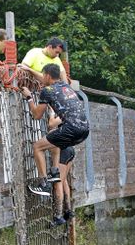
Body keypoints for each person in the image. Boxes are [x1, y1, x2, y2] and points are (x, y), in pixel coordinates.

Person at [21, 63, 89, 200]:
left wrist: (29, 97)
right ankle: (54, 172)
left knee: (37, 146)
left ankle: (43, 184)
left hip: (70, 129)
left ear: (47, 75)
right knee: (55, 142)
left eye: (43, 75)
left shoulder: (47, 91)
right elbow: (43, 78)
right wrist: (29, 70)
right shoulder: (66, 86)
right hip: (84, 130)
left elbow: (36, 115)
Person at [48, 113, 76, 226]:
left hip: (64, 150)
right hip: (70, 149)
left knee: (58, 182)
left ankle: (58, 216)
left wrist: (51, 112)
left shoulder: (64, 114)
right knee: (64, 180)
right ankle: (68, 210)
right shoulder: (73, 114)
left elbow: (51, 124)